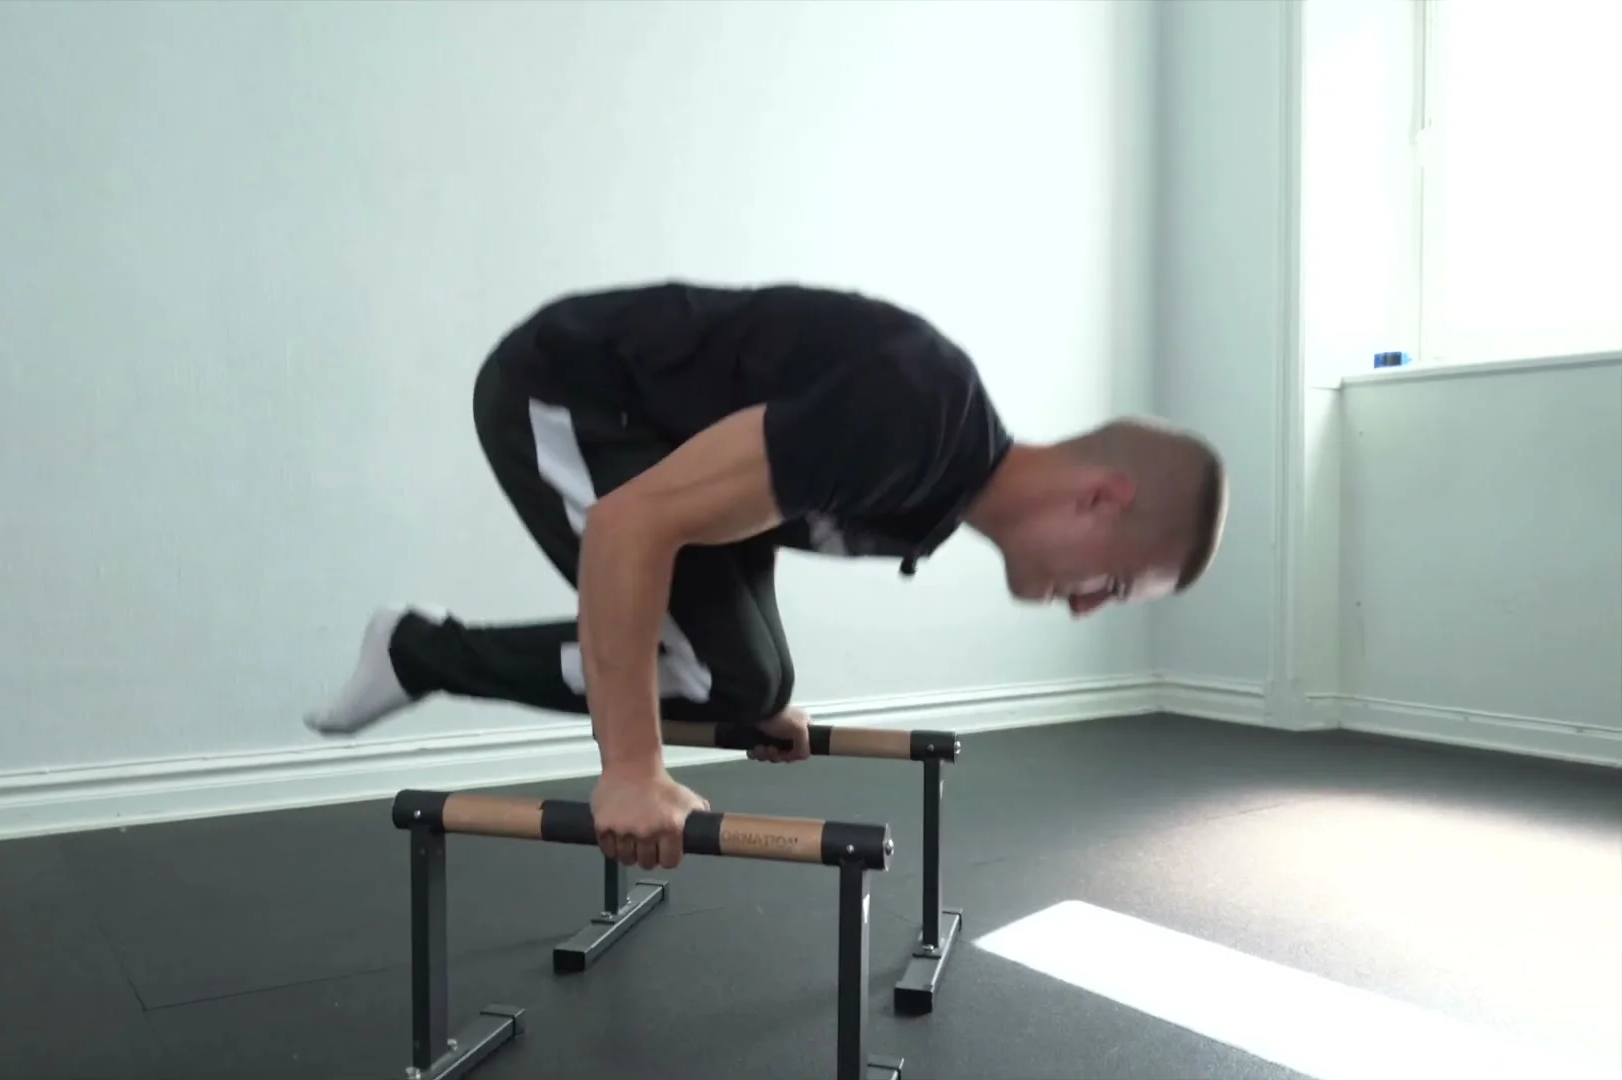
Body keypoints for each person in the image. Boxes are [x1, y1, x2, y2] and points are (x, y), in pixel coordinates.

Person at [305, 282, 1227, 871]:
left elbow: (735, 518)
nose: (1086, 607)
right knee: (715, 675)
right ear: (1100, 500)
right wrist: (632, 768)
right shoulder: (917, 417)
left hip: (661, 441)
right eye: (1114, 584)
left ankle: (419, 652)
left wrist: (751, 691)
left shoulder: (933, 495)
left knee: (747, 684)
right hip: (566, 394)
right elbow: (633, 523)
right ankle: (415, 653)